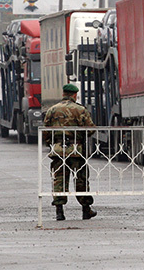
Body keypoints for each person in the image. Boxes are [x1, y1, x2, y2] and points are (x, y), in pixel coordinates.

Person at [42, 83, 97, 221]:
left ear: (63, 94)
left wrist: (52, 144)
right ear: (74, 95)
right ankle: (86, 210)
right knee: (81, 180)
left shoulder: (52, 110)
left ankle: (59, 212)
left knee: (59, 180)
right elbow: (90, 129)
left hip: (58, 150)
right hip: (76, 150)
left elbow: (46, 132)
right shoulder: (80, 110)